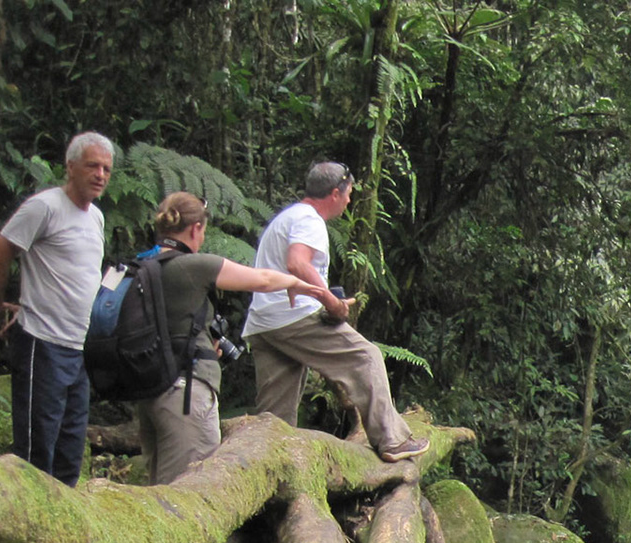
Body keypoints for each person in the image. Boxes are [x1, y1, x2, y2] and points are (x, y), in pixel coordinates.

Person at [133, 192, 335, 484]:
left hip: (149, 391)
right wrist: (297, 283)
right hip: (186, 392)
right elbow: (262, 279)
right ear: (195, 229)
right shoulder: (192, 266)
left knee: (159, 488)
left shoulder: (144, 267)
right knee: (191, 490)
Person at [244, 161, 427, 462]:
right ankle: (392, 440)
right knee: (366, 357)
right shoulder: (309, 220)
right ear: (334, 193)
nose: (349, 201)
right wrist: (330, 300)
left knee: (275, 416)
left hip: (265, 322)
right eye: (349, 194)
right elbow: (297, 263)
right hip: (294, 315)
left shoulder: (287, 217)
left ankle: (269, 466)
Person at [0, 131, 113, 484]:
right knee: (36, 451)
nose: (100, 174)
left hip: (78, 347)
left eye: (106, 169)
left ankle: (64, 532)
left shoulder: (96, 218)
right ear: (70, 167)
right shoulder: (46, 206)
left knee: (71, 450)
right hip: (42, 341)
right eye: (92, 166)